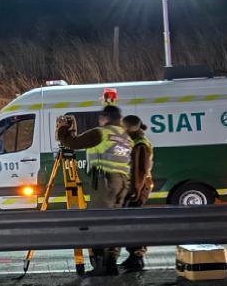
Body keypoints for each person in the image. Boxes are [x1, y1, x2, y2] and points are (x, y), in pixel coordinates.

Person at [56, 105, 131, 276]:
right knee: (113, 224)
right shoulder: (124, 135)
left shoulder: (101, 133)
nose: (99, 120)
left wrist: (63, 130)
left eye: (101, 117)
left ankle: (100, 266)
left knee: (96, 222)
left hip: (105, 182)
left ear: (106, 118)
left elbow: (73, 143)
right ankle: (111, 263)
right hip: (122, 183)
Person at [119, 115, 154, 271]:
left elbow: (138, 173)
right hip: (138, 188)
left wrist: (133, 192)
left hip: (138, 190)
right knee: (131, 223)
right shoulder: (139, 142)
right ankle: (133, 256)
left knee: (133, 224)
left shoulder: (140, 145)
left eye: (124, 128)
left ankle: (137, 257)